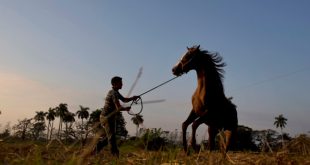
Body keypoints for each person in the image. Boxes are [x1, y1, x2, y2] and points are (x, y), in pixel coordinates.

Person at [96, 76, 139, 157]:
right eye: (120, 83)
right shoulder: (114, 93)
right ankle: (115, 156)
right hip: (106, 117)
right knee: (112, 137)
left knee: (109, 137)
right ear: (115, 84)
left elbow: (124, 100)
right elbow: (118, 108)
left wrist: (133, 98)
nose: (122, 84)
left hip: (108, 117)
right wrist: (126, 108)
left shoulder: (115, 92)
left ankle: (95, 150)